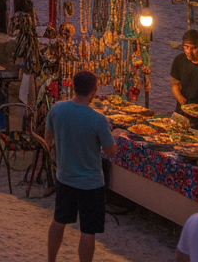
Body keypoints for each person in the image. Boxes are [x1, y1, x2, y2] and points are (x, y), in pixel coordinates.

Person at [45, 70, 118, 262]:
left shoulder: (57, 109)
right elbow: (111, 151)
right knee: (88, 230)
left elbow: (48, 137)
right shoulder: (98, 119)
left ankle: (50, 259)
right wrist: (115, 137)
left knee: (59, 220)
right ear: (93, 90)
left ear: (74, 87)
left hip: (65, 177)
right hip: (90, 184)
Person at [170, 30, 198, 126]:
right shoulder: (179, 60)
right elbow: (175, 84)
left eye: (194, 48)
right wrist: (182, 101)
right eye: (186, 47)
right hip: (181, 111)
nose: (189, 52)